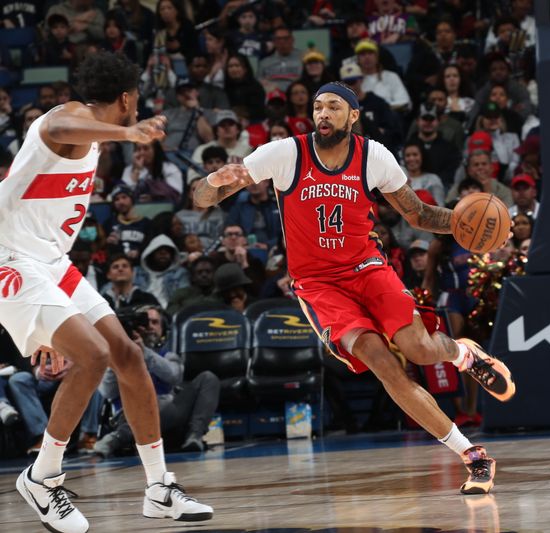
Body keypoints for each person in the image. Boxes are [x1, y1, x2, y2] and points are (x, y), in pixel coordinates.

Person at [194, 81, 516, 495]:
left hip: (367, 267)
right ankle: (472, 455)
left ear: (353, 115)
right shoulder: (286, 153)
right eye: (317, 107)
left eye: (333, 107)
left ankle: (464, 353)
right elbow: (204, 198)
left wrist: (468, 225)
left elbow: (416, 214)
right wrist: (215, 181)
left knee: (418, 348)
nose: (323, 114)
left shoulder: (373, 155)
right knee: (384, 365)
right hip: (319, 285)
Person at [0, 52, 211, 533]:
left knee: (127, 355)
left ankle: (159, 488)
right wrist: (127, 133)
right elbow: (62, 126)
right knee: (93, 356)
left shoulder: (91, 133)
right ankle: (42, 477)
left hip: (51, 264)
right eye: (135, 102)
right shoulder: (68, 120)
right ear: (126, 98)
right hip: (9, 256)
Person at [95, 306, 221, 456]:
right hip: (129, 416)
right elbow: (106, 391)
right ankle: (120, 436)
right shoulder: (119, 355)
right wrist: (117, 354)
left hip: (167, 415)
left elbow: (175, 376)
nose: (150, 327)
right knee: (148, 403)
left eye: (155, 322)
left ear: (162, 329)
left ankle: (194, 436)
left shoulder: (168, 355)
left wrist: (144, 352)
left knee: (208, 378)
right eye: (145, 322)